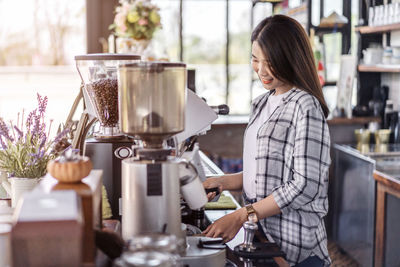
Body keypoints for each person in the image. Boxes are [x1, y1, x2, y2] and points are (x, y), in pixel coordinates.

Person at [203, 14, 331, 267]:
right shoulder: (261, 103)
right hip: (261, 238)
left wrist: (243, 215)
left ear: (290, 59)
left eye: (269, 62)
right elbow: (263, 173)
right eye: (254, 59)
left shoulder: (305, 105)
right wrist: (223, 181)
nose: (261, 70)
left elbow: (305, 185)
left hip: (295, 248)